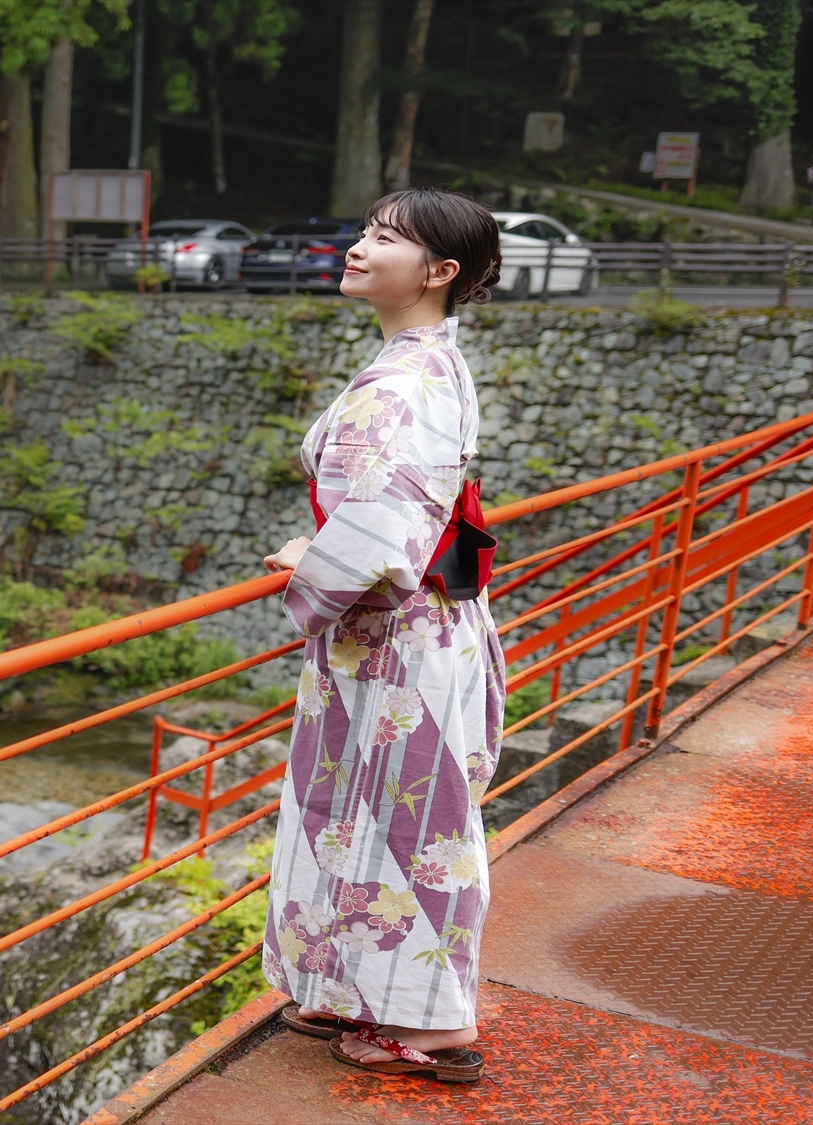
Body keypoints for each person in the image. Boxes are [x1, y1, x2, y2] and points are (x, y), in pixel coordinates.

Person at [257, 188, 505, 1084]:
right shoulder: (430, 360)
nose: (359, 249)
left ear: (439, 272)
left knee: (412, 822)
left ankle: (435, 1025)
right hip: (418, 628)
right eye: (365, 232)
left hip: (395, 635)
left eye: (385, 239)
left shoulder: (403, 379)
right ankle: (355, 985)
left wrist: (306, 562)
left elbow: (371, 533)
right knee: (366, 812)